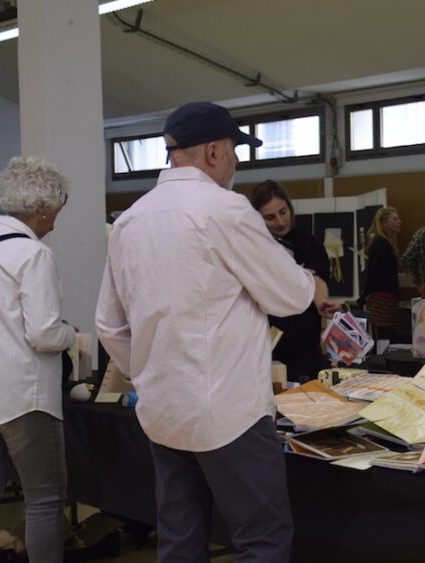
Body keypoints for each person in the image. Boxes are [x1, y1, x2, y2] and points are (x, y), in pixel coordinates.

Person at [95, 101, 315, 562]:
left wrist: (149, 372)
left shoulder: (130, 219)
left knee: (180, 538)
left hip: (163, 411)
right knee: (261, 539)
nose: (235, 162)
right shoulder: (225, 210)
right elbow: (293, 297)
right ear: (214, 151)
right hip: (229, 412)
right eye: (234, 151)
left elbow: (109, 324)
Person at [0, 157, 75, 562]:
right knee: (45, 499)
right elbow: (44, 334)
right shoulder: (32, 253)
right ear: (42, 207)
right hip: (25, 396)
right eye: (60, 204)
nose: (57, 217)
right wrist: (70, 333)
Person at [248, 180, 340, 381]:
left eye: (283, 212)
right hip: (266, 346)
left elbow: (316, 280)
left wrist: (321, 302)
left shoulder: (308, 243)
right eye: (270, 217)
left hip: (305, 345)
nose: (280, 221)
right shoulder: (253, 249)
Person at [361, 206, 401, 340]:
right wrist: (364, 295)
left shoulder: (383, 242)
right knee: (384, 337)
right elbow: (374, 272)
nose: (399, 221)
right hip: (382, 298)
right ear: (385, 223)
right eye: (394, 219)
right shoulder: (381, 243)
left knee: (384, 336)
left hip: (384, 297)